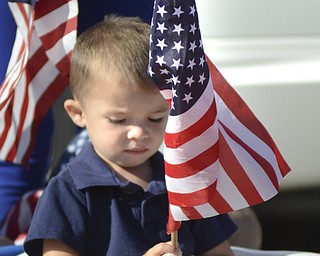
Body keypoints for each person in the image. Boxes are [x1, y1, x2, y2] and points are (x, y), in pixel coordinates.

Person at [24, 15, 237, 256]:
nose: (138, 132)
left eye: (155, 118)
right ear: (78, 113)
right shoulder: (68, 192)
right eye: (119, 120)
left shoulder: (183, 182)